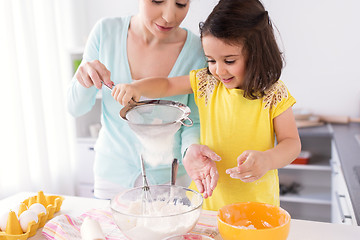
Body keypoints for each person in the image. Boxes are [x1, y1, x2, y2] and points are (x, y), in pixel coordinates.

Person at [111, 0, 302, 211]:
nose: (219, 70)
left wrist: (267, 160)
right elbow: (166, 85)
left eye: (229, 61)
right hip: (208, 203)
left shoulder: (273, 93)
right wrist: (137, 87)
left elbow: (292, 143)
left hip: (257, 206)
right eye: (211, 60)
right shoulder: (207, 83)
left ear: (256, 53)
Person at [67, 0, 207, 199]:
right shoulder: (105, 32)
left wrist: (192, 152)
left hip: (169, 183)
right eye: (158, 1)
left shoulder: (196, 51)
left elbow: (194, 123)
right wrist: (83, 80)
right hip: (111, 179)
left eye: (181, 4)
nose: (169, 16)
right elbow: (75, 108)